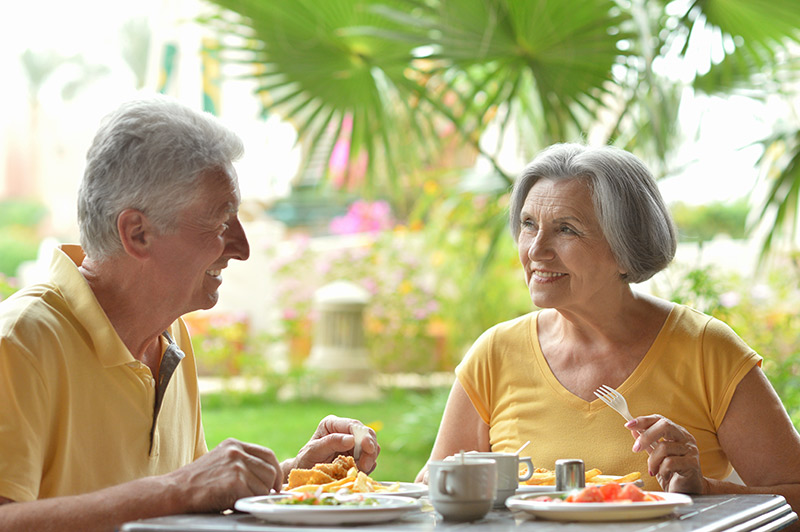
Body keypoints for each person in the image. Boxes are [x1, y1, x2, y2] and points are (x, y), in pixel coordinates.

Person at [0, 96, 379, 532]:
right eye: (220, 224)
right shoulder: (19, 342)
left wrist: (293, 477)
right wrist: (178, 488)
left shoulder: (169, 335)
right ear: (137, 233)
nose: (242, 247)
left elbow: (184, 508)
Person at [415, 143, 800, 512]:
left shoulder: (705, 349)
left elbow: (794, 496)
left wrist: (704, 490)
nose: (535, 250)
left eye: (566, 229)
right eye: (529, 224)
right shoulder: (495, 352)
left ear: (625, 247)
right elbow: (433, 493)